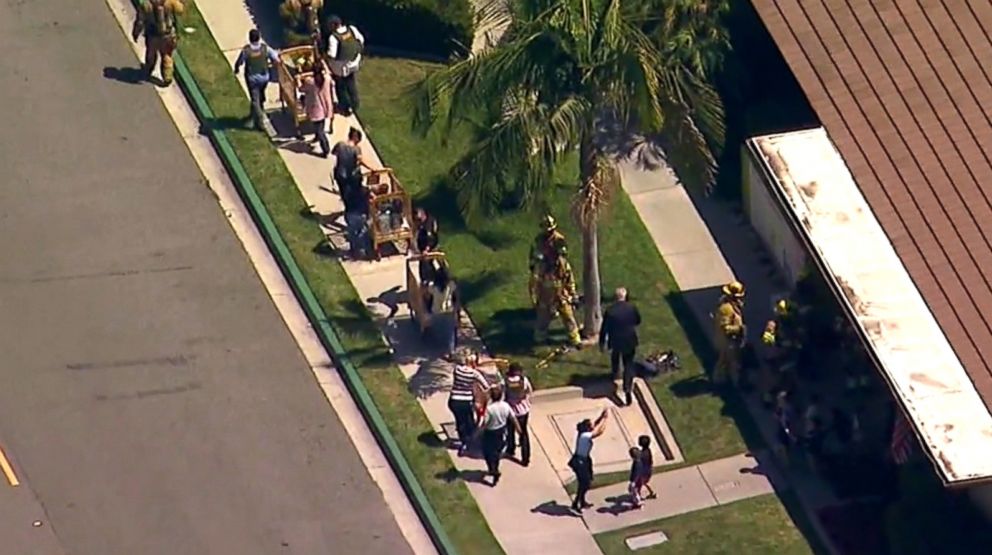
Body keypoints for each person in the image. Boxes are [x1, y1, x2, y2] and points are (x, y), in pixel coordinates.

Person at [530, 246, 581, 347]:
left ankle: (575, 339)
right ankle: (540, 338)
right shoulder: (540, 268)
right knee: (543, 319)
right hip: (546, 296)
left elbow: (569, 280)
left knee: (568, 317)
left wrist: (573, 294)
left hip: (561, 296)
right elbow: (534, 284)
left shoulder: (563, 264)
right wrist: (535, 299)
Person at [234, 29, 281, 136]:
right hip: (264, 78)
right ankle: (253, 115)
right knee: (260, 96)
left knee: (255, 100)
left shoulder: (246, 51)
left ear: (250, 38)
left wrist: (236, 69)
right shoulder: (265, 48)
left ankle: (260, 120)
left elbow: (239, 62)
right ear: (259, 37)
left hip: (252, 79)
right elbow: (276, 58)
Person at [600, 287, 642, 406]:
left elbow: (604, 329)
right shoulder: (631, 308)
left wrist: (602, 342)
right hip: (629, 340)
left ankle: (615, 373)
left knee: (615, 355)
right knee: (628, 364)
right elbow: (638, 321)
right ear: (625, 296)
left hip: (616, 340)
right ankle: (628, 389)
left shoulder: (610, 311)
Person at [131, 0, 185, 85]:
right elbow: (180, 10)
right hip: (168, 35)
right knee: (167, 54)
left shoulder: (146, 5)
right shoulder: (170, 3)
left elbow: (140, 21)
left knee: (151, 54)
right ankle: (167, 76)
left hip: (153, 36)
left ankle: (148, 69)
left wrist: (136, 32)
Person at [476, 386, 520, 486]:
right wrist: (519, 430)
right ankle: (494, 469)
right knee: (496, 453)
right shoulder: (505, 405)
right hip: (501, 431)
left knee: (487, 453)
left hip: (490, 433)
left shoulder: (490, 409)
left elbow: (484, 423)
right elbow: (513, 418)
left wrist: (477, 433)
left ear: (492, 397)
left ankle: (493, 470)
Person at [448, 350, 490, 455]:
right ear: (473, 362)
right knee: (469, 422)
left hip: (454, 400)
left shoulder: (457, 369)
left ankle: (464, 442)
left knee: (460, 422)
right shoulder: (475, 374)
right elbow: (486, 386)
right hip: (465, 402)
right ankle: (470, 442)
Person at [570, 409, 608, 513]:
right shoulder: (585, 436)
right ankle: (575, 504)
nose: (593, 425)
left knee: (587, 482)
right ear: (587, 427)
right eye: (590, 425)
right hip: (580, 462)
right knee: (584, 484)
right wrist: (605, 419)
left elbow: (595, 425)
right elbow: (599, 431)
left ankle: (581, 502)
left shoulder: (584, 433)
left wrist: (601, 417)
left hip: (585, 460)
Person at [325, 16, 365, 115]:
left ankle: (344, 107)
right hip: (354, 62)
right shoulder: (352, 29)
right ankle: (355, 103)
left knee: (340, 88)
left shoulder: (333, 38)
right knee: (351, 83)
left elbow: (332, 54)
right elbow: (361, 40)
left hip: (340, 68)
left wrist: (325, 56)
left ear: (334, 25)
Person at [713, 281, 747, 387]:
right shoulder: (726, 309)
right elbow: (725, 328)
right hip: (727, 340)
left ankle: (722, 379)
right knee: (732, 361)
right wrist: (739, 328)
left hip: (733, 339)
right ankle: (732, 382)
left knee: (726, 360)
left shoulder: (733, 305)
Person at [504, 363, 533, 466]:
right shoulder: (524, 381)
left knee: (510, 431)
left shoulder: (506, 382)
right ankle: (525, 459)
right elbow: (529, 391)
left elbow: (503, 394)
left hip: (511, 411)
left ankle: (511, 449)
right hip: (523, 411)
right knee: (523, 433)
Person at [301, 63, 333, 157]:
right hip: (325, 107)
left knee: (320, 130)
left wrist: (299, 79)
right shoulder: (326, 79)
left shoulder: (310, 82)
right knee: (320, 126)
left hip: (316, 109)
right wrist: (323, 63)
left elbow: (301, 89)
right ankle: (317, 137)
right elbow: (328, 73)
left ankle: (326, 149)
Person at [427, 265, 459, 356]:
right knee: (449, 332)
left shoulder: (433, 287)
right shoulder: (450, 285)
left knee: (439, 331)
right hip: (448, 310)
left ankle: (440, 350)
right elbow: (455, 295)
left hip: (436, 311)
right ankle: (450, 351)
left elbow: (427, 293)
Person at [332, 127, 371, 195]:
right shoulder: (356, 149)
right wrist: (371, 168)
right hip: (350, 175)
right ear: (355, 137)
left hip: (339, 172)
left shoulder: (340, 144)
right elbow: (360, 161)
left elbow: (334, 153)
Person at [414, 207, 440, 282]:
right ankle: (425, 280)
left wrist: (426, 249)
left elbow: (431, 238)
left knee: (428, 264)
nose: (417, 222)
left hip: (430, 249)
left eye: (418, 219)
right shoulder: (421, 224)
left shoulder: (429, 223)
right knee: (423, 265)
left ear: (422, 215)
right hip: (423, 249)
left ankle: (431, 279)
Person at [637, 435, 656, 499]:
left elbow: (641, 463)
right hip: (649, 469)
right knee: (644, 482)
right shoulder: (648, 450)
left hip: (644, 471)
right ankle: (651, 492)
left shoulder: (642, 454)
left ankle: (638, 496)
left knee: (640, 483)